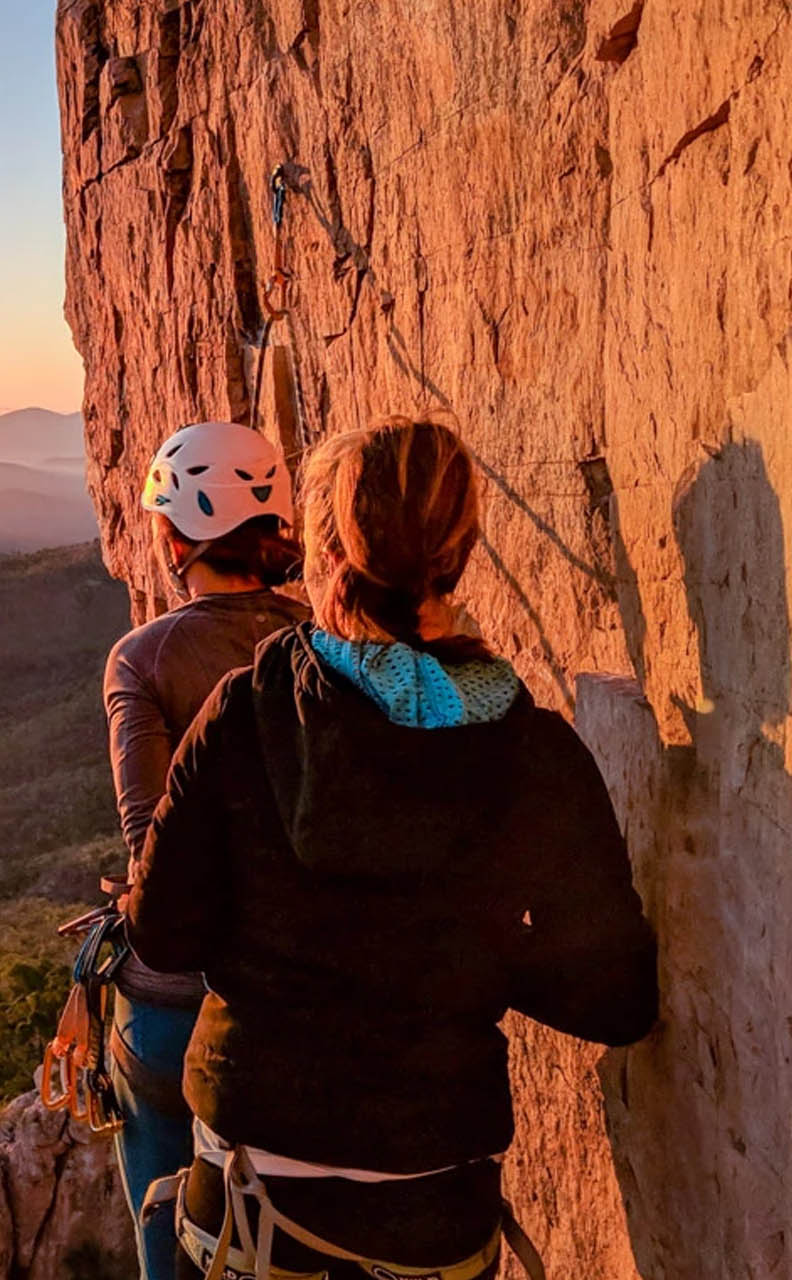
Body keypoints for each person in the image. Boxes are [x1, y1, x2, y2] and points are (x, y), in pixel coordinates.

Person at [124, 418, 659, 1280]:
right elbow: (618, 999)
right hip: (429, 1217)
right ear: (463, 550)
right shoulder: (533, 751)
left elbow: (163, 936)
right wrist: (472, 946)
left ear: (325, 551)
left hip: (250, 1211)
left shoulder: (246, 709)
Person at [102, 420, 308, 1280]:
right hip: (299, 983)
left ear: (177, 538)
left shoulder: (142, 660)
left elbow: (149, 838)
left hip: (176, 999)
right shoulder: (328, 642)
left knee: (168, 1212)